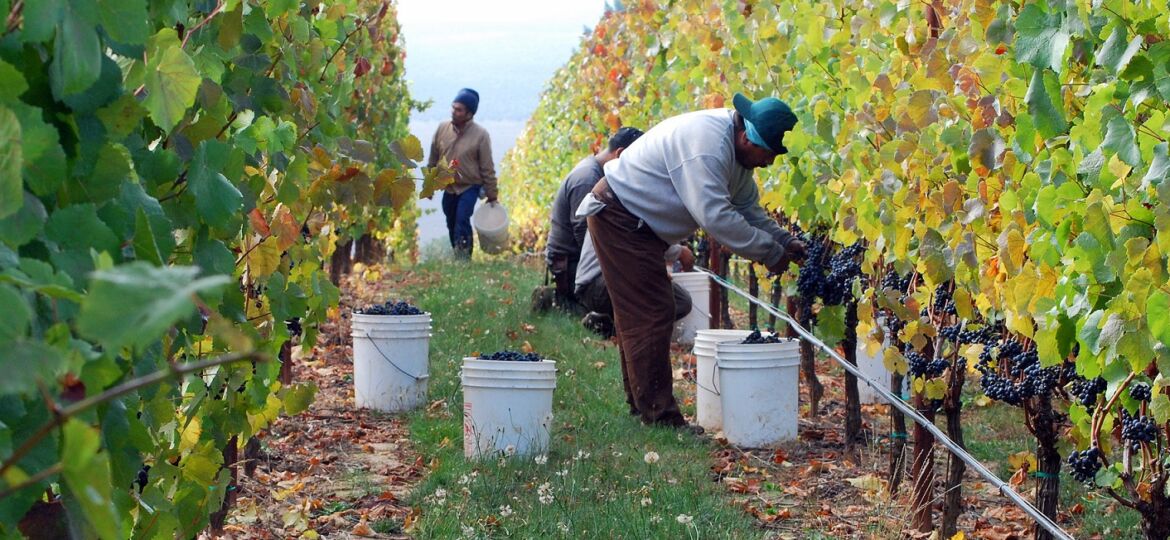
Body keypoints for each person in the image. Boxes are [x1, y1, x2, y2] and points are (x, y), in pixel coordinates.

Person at [578, 93, 808, 429]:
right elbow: (717, 217)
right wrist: (771, 254)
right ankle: (660, 417)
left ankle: (643, 407)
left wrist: (784, 240)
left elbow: (747, 210)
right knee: (652, 311)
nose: (770, 163)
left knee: (641, 312)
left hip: (636, 221)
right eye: (770, 154)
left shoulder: (737, 154)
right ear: (748, 138)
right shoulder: (709, 147)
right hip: (620, 216)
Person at [539, 127, 645, 313]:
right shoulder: (588, 179)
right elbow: (586, 233)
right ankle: (562, 301)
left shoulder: (596, 171)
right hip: (570, 265)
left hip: (573, 261)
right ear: (620, 154)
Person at [575, 230, 694, 343]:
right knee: (680, 301)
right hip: (601, 282)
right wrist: (678, 252)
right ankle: (638, 338)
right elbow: (643, 236)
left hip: (591, 286)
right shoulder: (625, 210)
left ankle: (604, 325)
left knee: (679, 300)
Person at [427, 88, 498, 259]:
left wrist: (492, 194)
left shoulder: (481, 135)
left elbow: (487, 167)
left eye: (459, 110)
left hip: (469, 187)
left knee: (461, 220)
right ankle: (457, 253)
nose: (454, 112)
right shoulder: (442, 129)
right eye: (453, 108)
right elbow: (433, 157)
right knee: (451, 222)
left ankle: (464, 259)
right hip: (449, 186)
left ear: (469, 114)